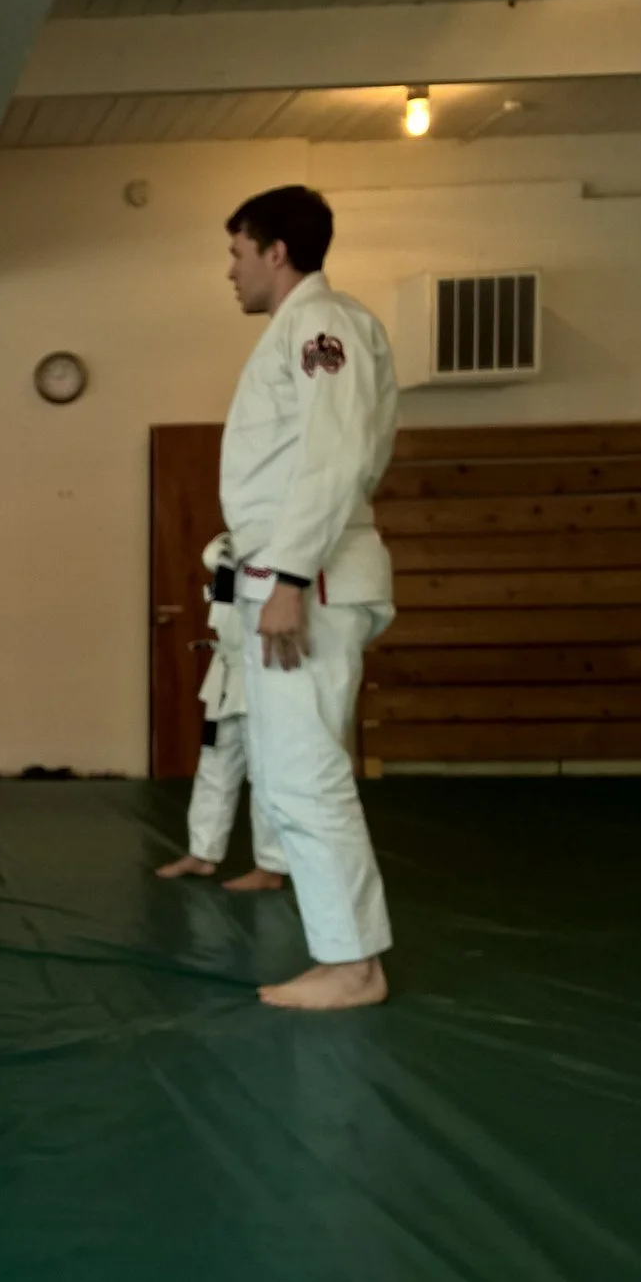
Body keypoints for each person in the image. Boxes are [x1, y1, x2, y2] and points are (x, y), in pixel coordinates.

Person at [218, 184, 397, 1011]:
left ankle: (354, 965)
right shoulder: (298, 332)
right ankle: (343, 953)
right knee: (291, 772)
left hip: (310, 578)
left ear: (276, 251)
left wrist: (290, 577)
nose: (231, 270)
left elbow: (334, 455)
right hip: (290, 572)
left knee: (307, 770)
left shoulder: (323, 328)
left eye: (237, 252)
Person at [156, 533, 288, 891]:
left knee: (264, 775)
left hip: (262, 679)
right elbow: (218, 589)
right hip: (225, 679)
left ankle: (271, 866)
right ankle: (203, 852)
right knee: (214, 766)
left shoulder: (276, 561)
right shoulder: (226, 560)